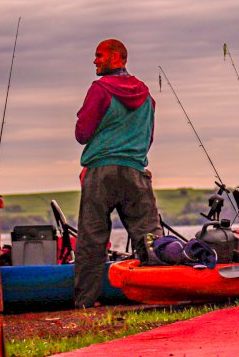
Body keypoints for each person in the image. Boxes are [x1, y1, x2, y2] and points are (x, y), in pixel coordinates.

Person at [73, 38, 162, 309]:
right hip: (136, 171)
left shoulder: (99, 90)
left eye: (99, 55)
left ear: (116, 58)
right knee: (149, 236)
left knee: (92, 237)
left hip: (101, 171)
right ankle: (157, 294)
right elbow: (149, 137)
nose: (95, 60)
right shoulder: (147, 95)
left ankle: (86, 302)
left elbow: (82, 134)